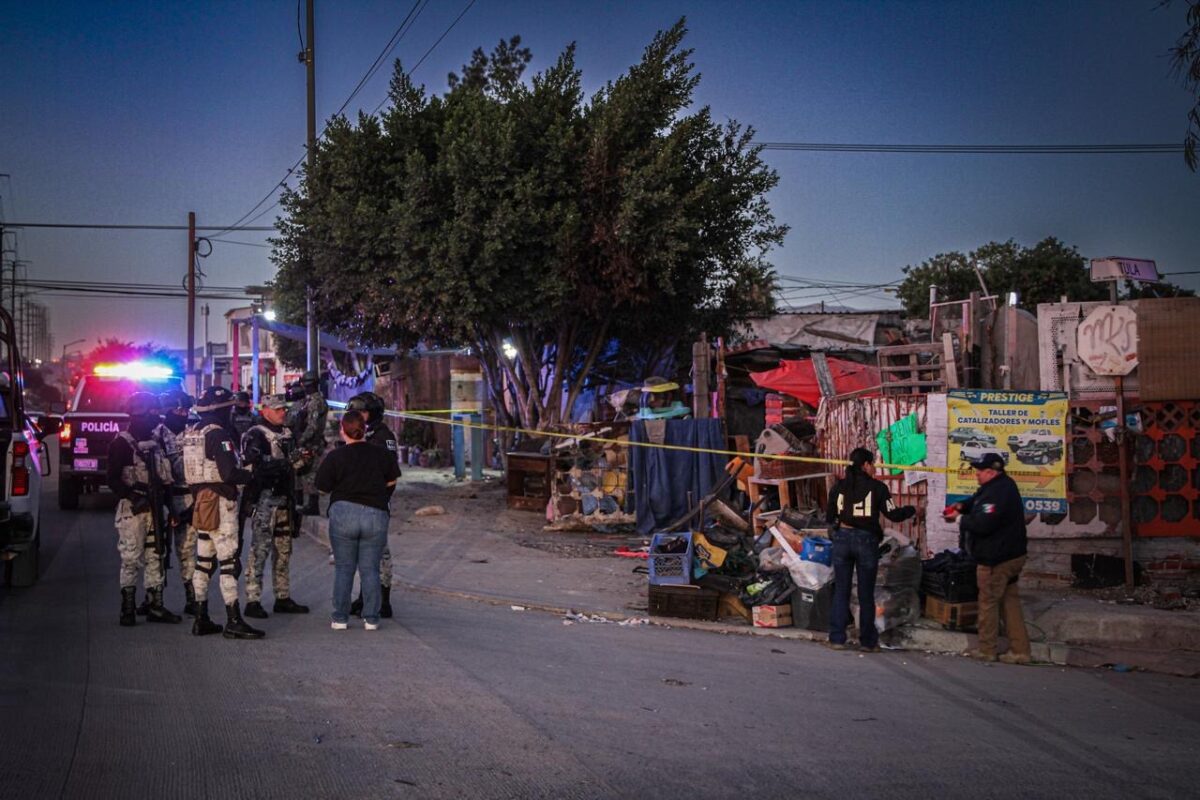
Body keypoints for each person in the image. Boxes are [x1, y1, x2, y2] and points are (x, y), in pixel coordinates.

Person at [183, 385, 264, 640]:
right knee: (228, 561)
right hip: (220, 503)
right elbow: (229, 473)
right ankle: (233, 619)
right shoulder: (219, 436)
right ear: (223, 409)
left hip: (200, 502)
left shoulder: (191, 432)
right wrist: (252, 474)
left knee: (203, 560)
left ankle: (201, 617)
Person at [825, 447, 917, 652]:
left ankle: (836, 638)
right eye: (873, 464)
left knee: (841, 590)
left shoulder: (839, 487)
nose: (874, 468)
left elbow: (829, 517)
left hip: (842, 540)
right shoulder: (878, 488)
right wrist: (912, 510)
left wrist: (837, 532)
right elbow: (893, 514)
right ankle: (867, 641)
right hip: (866, 541)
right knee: (866, 594)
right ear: (865, 465)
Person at [943, 452, 1031, 665]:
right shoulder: (997, 487)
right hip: (1010, 554)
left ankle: (986, 649)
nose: (977, 475)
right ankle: (1020, 651)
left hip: (996, 559)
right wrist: (961, 506)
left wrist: (959, 519)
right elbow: (975, 501)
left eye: (980, 471)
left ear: (991, 472)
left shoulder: (998, 493)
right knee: (1010, 602)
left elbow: (983, 524)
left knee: (988, 602)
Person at [316, 409, 401, 631]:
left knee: (344, 568)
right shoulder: (381, 454)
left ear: (343, 430)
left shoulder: (336, 456)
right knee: (370, 569)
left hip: (344, 513)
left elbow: (322, 486)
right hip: (375, 514)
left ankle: (340, 618)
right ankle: (371, 618)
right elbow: (392, 481)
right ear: (365, 429)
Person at [106, 392, 181, 626]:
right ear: (139, 414)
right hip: (134, 510)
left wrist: (172, 511)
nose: (156, 418)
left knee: (156, 555)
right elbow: (112, 480)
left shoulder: (156, 443)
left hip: (156, 509)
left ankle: (155, 604)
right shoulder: (122, 443)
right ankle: (127, 608)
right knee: (130, 558)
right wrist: (132, 496)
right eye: (152, 413)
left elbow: (165, 480)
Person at [240, 395, 309, 619]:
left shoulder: (287, 434)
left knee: (284, 550)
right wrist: (285, 463)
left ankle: (282, 596)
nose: (283, 413)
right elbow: (255, 467)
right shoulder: (255, 435)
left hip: (285, 500)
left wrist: (303, 460)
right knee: (260, 550)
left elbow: (295, 467)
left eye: (283, 409)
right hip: (264, 500)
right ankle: (252, 599)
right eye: (278, 409)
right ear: (265, 411)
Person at [346, 391, 399, 619]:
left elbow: (389, 475)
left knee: (380, 552)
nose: (359, 416)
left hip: (376, 502)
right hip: (362, 502)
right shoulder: (366, 435)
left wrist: (379, 500)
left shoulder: (382, 437)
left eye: (363, 412)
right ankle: (364, 597)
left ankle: (383, 600)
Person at [152, 389, 199, 616]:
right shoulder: (157, 435)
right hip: (163, 499)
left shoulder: (194, 433)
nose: (183, 414)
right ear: (167, 410)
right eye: (178, 409)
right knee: (157, 551)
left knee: (187, 550)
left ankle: (192, 598)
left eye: (185, 410)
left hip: (188, 497)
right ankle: (155, 599)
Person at [288, 371, 329, 516]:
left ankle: (313, 505)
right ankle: (303, 502)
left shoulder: (315, 402)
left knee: (310, 475)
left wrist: (301, 439)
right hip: (308, 442)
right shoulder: (310, 400)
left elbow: (313, 426)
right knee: (299, 471)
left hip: (311, 443)